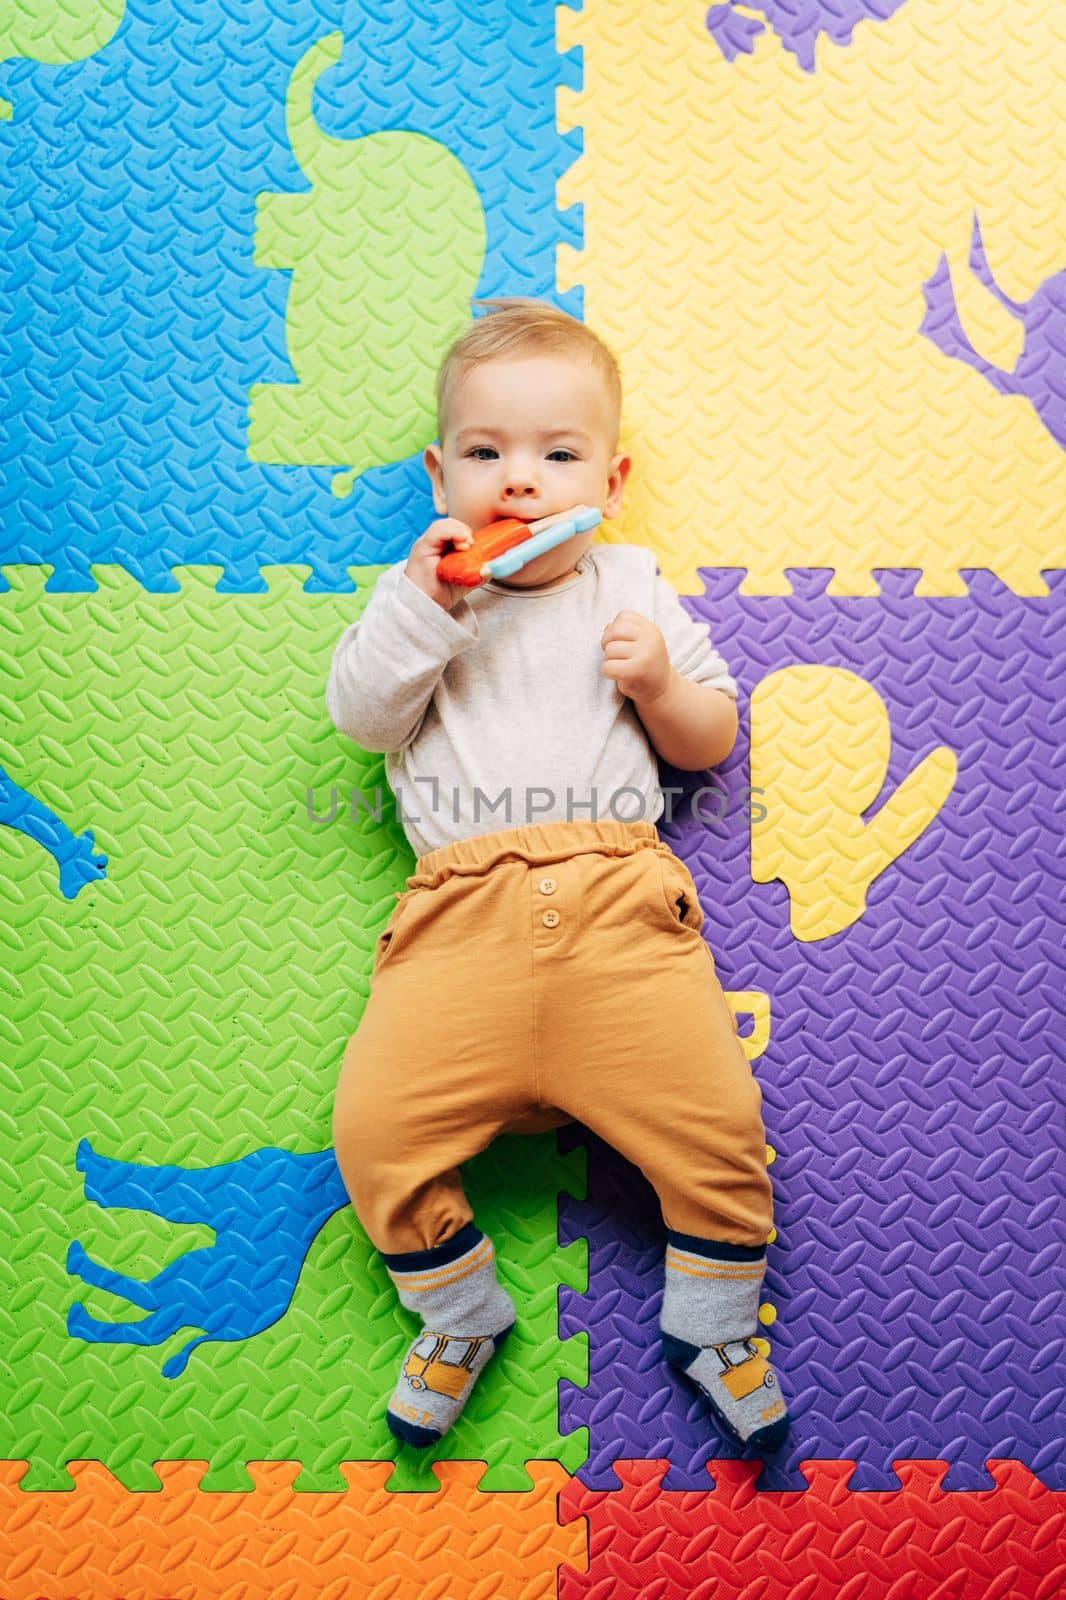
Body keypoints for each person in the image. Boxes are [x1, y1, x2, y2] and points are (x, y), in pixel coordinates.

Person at [326, 296, 790, 1454]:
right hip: (459, 918)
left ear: (612, 480)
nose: (518, 481)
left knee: (722, 1124)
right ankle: (457, 1305)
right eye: (485, 453)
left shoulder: (631, 593)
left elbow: (711, 742)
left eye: (556, 454)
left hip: (618, 912)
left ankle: (715, 1316)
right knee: (374, 1129)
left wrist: (658, 690)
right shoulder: (421, 597)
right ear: (442, 476)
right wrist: (426, 611)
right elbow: (363, 721)